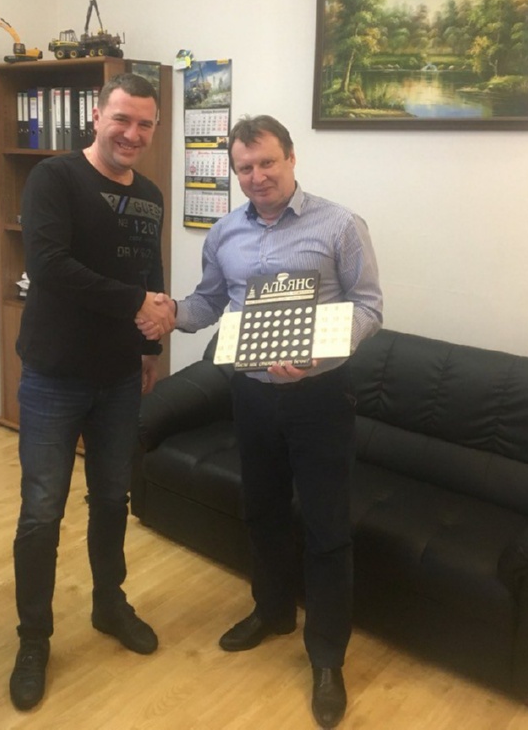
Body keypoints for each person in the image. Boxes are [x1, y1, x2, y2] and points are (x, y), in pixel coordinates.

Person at [137, 115, 382, 729]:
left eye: (267, 162)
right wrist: (169, 313)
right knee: (263, 510)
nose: (257, 176)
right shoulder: (224, 233)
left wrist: (319, 351)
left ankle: (326, 657)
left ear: (291, 158)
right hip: (250, 394)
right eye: (244, 167)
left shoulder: (340, 224)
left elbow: (368, 305)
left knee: (326, 528)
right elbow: (210, 302)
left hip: (320, 397)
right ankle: (272, 613)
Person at [9, 73, 175, 711]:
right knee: (41, 511)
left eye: (144, 124)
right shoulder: (54, 178)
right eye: (122, 119)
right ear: (98, 117)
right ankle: (34, 637)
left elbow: (150, 272)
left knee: (111, 497)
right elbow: (48, 265)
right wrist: (136, 302)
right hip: (54, 374)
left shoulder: (151, 195)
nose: (132, 133)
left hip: (119, 376)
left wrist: (150, 347)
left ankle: (109, 604)